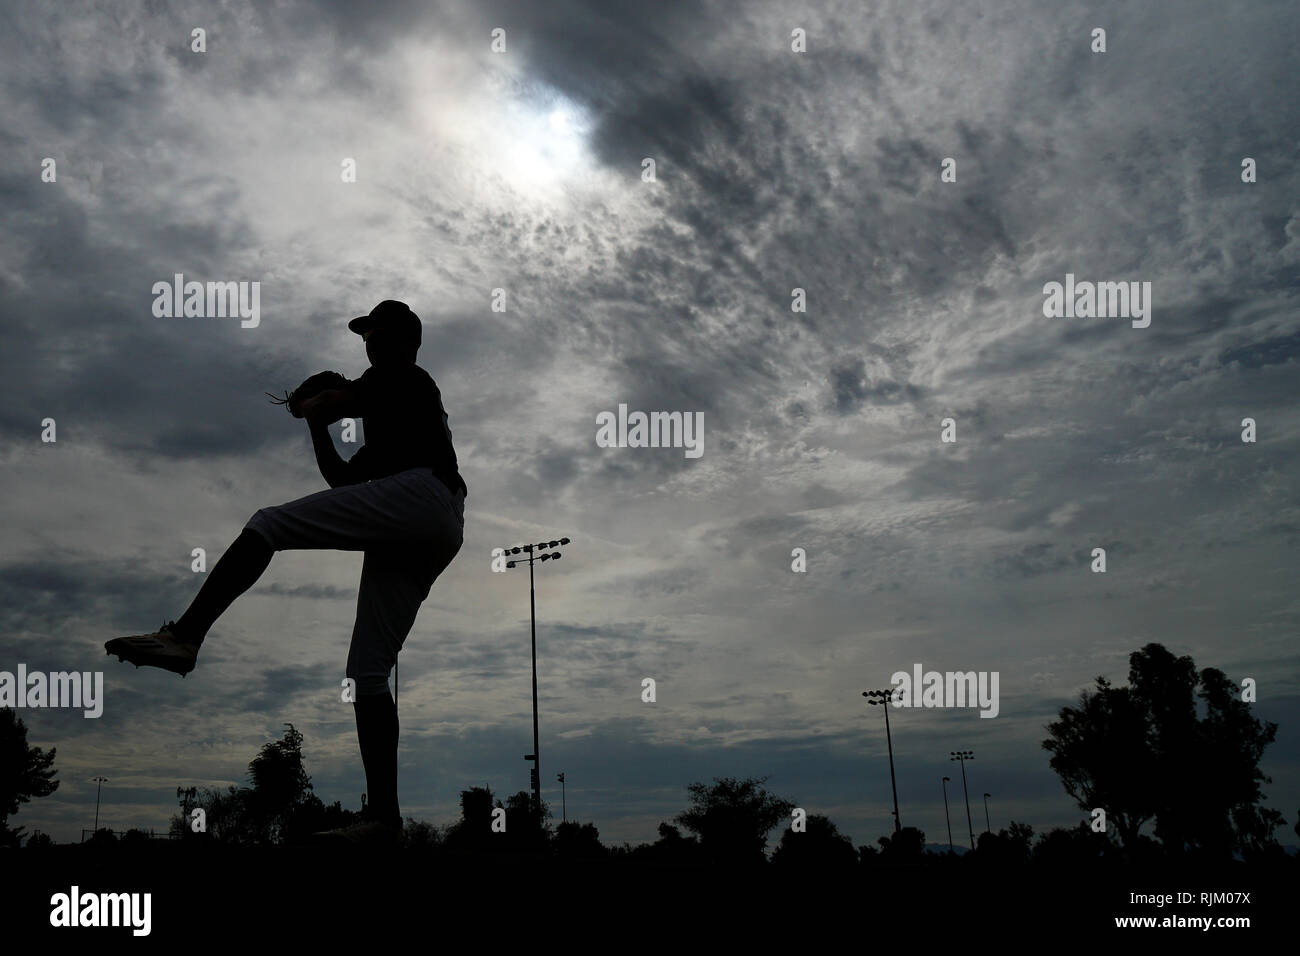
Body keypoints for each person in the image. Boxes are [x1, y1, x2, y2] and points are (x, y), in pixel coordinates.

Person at [105, 300, 467, 846]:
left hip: (423, 497)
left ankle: (185, 636)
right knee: (367, 673)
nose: (369, 341)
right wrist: (317, 425)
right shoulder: (391, 418)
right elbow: (343, 483)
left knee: (268, 523)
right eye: (366, 334)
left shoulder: (404, 377)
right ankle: (385, 819)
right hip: (431, 521)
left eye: (379, 332)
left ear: (408, 341)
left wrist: (315, 405)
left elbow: (338, 398)